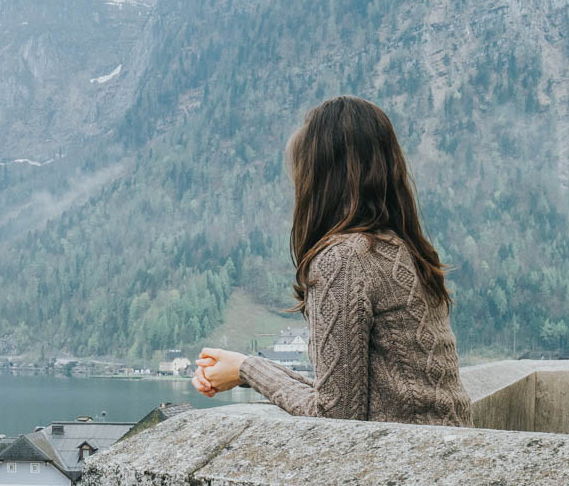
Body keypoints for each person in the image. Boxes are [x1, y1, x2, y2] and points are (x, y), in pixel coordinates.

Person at [194, 96, 472, 426]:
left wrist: (247, 369)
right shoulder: (407, 251)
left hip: (401, 469)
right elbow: (346, 394)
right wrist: (246, 370)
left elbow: (334, 416)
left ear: (319, 179)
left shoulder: (343, 260)